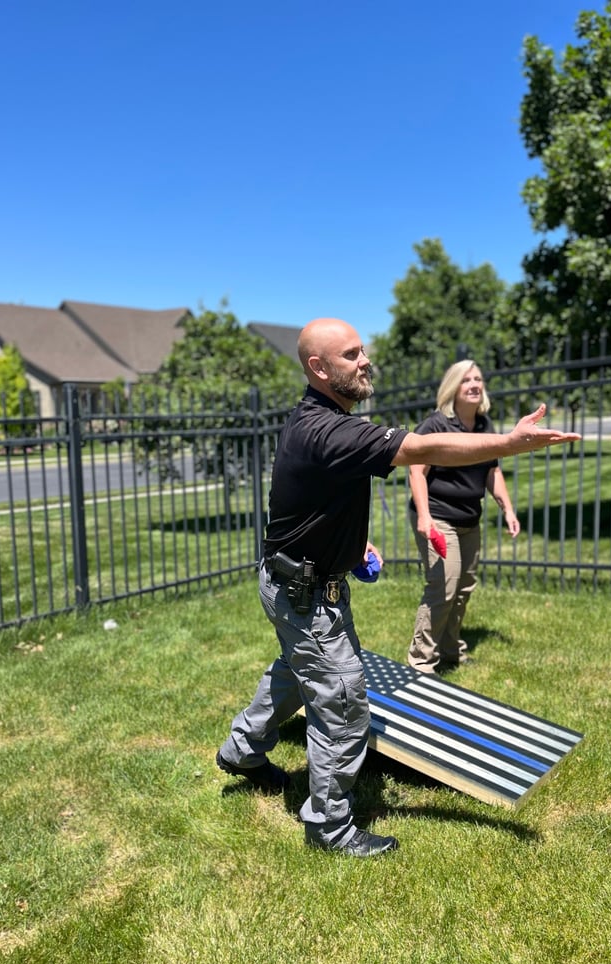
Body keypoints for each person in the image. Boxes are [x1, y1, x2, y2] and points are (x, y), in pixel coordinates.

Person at [216, 318, 580, 857]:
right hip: (305, 591)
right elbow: (424, 449)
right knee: (341, 702)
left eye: (363, 350)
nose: (365, 360)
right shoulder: (326, 427)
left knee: (300, 669)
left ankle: (242, 751)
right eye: (350, 354)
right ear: (318, 368)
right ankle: (329, 826)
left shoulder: (322, 421)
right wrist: (509, 442)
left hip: (300, 578)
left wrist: (348, 546)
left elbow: (313, 498)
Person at [407, 361, 520, 675]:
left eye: (478, 379)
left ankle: (450, 648)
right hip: (438, 517)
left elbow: (492, 470)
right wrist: (425, 518)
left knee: (464, 586)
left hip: (470, 519)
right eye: (466, 380)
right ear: (453, 387)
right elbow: (416, 471)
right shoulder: (436, 425)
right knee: (444, 584)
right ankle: (421, 661)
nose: (474, 384)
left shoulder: (484, 426)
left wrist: (507, 508)